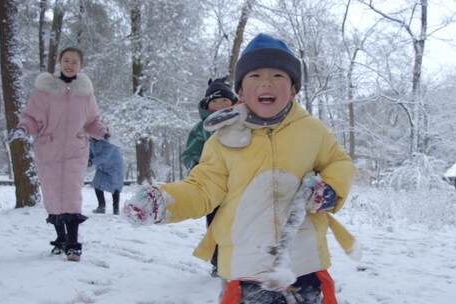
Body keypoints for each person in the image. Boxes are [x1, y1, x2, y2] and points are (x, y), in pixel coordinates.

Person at [123, 33, 357, 303]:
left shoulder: (312, 131)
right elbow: (202, 187)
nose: (266, 82)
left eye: (278, 76)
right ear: (241, 92)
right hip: (246, 267)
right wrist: (164, 201)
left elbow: (339, 162)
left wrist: (330, 189)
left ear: (293, 89)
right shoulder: (223, 138)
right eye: (255, 76)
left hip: (304, 263)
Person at [8, 47, 108, 262]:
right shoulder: (44, 90)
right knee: (53, 196)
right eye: (66, 60)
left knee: (72, 196)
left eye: (74, 62)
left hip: (75, 150)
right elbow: (32, 117)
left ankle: (73, 245)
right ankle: (60, 239)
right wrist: (23, 128)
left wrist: (104, 132)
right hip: (48, 150)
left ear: (80, 66)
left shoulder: (85, 92)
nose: (69, 64)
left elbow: (92, 122)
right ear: (60, 62)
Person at [181, 77, 238, 276]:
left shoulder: (242, 121)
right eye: (216, 101)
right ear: (208, 105)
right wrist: (196, 165)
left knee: (240, 221)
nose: (221, 105)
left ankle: (242, 258)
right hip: (213, 185)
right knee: (215, 223)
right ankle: (218, 262)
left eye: (225, 100)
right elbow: (189, 153)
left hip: (239, 182)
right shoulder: (200, 129)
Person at [89, 138, 124, 215]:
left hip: (114, 166)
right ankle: (101, 206)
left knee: (115, 187)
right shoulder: (91, 141)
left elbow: (104, 156)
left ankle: (116, 209)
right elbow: (90, 153)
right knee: (97, 183)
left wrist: (91, 162)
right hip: (102, 166)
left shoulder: (109, 142)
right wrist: (87, 159)